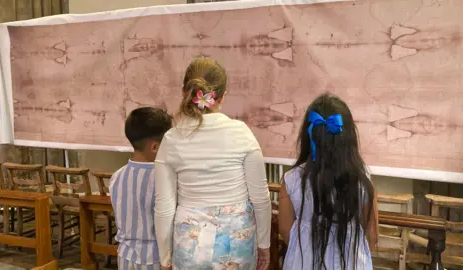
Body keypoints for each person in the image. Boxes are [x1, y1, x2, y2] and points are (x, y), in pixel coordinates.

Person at [154, 58, 271, 270]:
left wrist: (165, 258)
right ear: (222, 96)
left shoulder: (172, 139)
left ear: (185, 92)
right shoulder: (241, 133)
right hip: (238, 240)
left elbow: (164, 207)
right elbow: (261, 199)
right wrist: (264, 244)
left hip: (189, 242)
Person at [278, 94, 379, 270]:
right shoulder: (362, 180)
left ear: (308, 136)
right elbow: (373, 235)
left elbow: (285, 231)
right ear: (349, 138)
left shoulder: (291, 180)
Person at [109, 107, 172, 270]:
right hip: (157, 259)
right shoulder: (163, 178)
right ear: (155, 147)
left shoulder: (116, 176)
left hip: (125, 257)